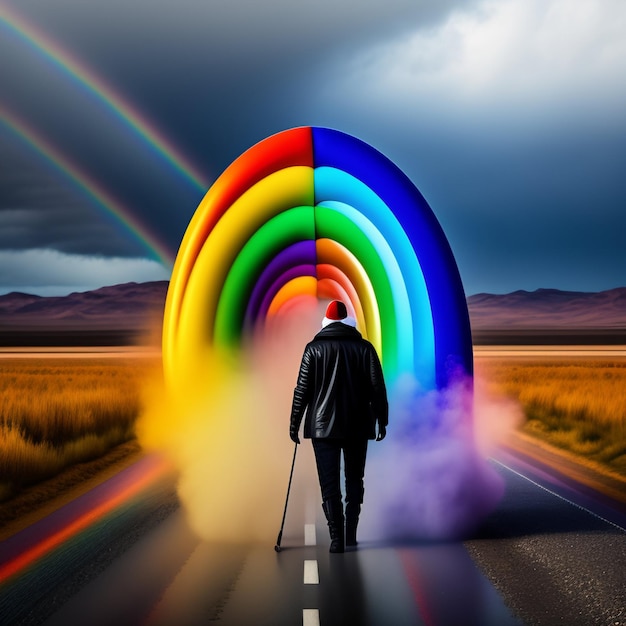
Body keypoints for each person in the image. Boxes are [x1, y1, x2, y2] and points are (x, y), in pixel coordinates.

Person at [289, 300, 388, 553]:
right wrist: (382, 420)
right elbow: (377, 388)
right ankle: (351, 533)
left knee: (329, 482)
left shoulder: (313, 349)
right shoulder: (365, 349)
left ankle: (336, 539)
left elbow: (302, 390)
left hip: (322, 429)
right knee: (355, 479)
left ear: (326, 322)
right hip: (358, 426)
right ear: (348, 322)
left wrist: (294, 423)